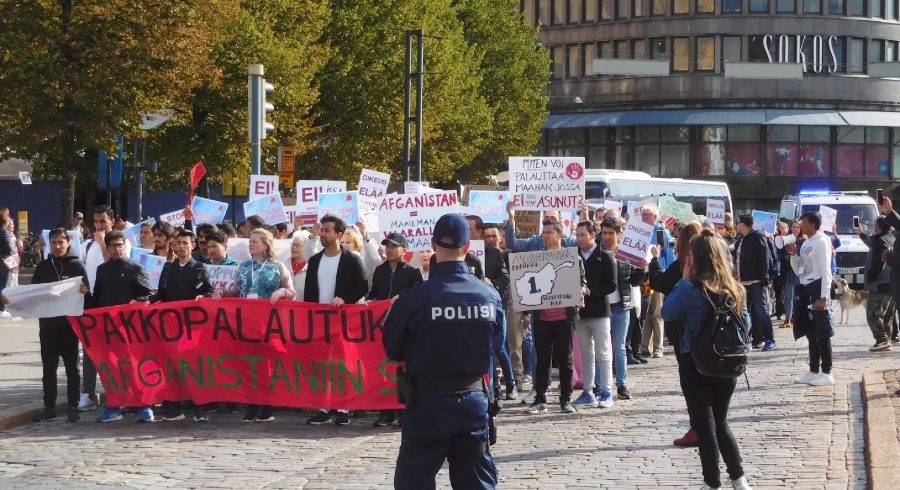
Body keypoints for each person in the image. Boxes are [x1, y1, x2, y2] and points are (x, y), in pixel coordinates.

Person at [382, 213, 503, 489]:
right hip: (472, 400)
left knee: (414, 481)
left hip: (427, 402)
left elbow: (392, 349)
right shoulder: (489, 296)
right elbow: (497, 343)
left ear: (434, 245)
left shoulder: (413, 299)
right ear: (468, 247)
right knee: (476, 482)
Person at [661, 229, 753, 490]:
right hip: (728, 361)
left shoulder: (690, 288)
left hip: (696, 361)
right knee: (721, 422)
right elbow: (747, 325)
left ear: (695, 259)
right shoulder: (735, 289)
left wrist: (684, 278)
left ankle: (712, 482)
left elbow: (667, 312)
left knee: (705, 425)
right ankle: (739, 479)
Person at [3, 228, 89, 422]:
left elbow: (88, 296)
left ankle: (73, 406)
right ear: (49, 244)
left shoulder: (77, 266)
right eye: (54, 243)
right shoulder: (43, 267)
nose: (57, 247)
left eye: (61, 242)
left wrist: (85, 290)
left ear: (68, 242)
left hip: (69, 327)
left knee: (72, 368)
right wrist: (13, 300)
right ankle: (49, 406)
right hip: (48, 327)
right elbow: (32, 294)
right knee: (48, 368)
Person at [212, 228, 295, 421]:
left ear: (266, 245)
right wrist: (223, 292)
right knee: (248, 364)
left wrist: (281, 292)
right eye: (250, 241)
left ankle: (266, 406)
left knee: (265, 364)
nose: (251, 244)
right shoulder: (243, 266)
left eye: (255, 241)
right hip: (245, 323)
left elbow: (292, 292)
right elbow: (237, 290)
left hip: (267, 324)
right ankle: (251, 405)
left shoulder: (277, 266)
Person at [304, 215, 368, 426]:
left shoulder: (352, 259)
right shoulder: (314, 261)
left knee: (344, 365)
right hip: (320, 322)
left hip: (343, 321)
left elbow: (362, 286)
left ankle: (344, 407)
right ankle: (324, 407)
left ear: (339, 235)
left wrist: (345, 299)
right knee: (322, 365)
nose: (322, 234)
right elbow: (310, 293)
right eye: (321, 230)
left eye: (327, 230)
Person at [149, 230, 213, 421]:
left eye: (186, 243)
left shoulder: (200, 268)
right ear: (173, 246)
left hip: (192, 328)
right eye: (178, 243)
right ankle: (175, 407)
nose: (182, 247)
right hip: (171, 327)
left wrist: (204, 297)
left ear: (193, 245)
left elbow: (208, 290)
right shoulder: (168, 268)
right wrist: (146, 302)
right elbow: (161, 294)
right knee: (174, 368)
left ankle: (199, 409)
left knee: (194, 368)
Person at [649, 222, 703, 447]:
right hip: (707, 334)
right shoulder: (714, 266)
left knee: (692, 384)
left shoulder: (684, 269)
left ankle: (698, 428)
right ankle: (708, 426)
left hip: (686, 334)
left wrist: (654, 260)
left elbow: (659, 284)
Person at [92, 231, 155, 423]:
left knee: (134, 367)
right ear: (108, 248)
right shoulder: (102, 269)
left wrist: (137, 301)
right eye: (113, 245)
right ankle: (113, 406)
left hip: (131, 329)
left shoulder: (135, 268)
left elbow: (149, 295)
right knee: (111, 369)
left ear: (125, 245)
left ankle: (144, 405)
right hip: (108, 329)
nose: (117, 249)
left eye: (120, 245)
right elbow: (97, 298)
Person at [526, 219, 587, 415]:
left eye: (548, 232)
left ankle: (565, 400)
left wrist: (580, 292)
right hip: (542, 318)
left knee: (565, 359)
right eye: (543, 232)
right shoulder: (536, 259)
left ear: (560, 235)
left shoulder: (574, 258)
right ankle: (540, 399)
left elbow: (583, 283)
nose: (544, 236)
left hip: (564, 318)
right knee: (542, 359)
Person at [78, 204, 131, 411]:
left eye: (103, 222)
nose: (99, 226)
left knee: (119, 352)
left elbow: (117, 265)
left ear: (112, 222)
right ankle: (88, 392)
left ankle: (120, 393)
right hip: (93, 303)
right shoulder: (88, 246)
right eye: (96, 222)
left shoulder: (122, 244)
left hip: (116, 305)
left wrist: (103, 244)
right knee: (90, 350)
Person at [368, 232, 423, 427]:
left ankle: (403, 410)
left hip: (403, 329)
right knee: (382, 369)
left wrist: (402, 297)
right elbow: (374, 293)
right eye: (387, 246)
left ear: (404, 251)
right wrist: (370, 301)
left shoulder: (413, 273)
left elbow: (418, 297)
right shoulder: (380, 271)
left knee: (401, 369)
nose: (389, 250)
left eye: (393, 246)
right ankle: (386, 412)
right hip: (381, 329)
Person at [466, 215, 515, 400]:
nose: (466, 232)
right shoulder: (460, 254)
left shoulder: (494, 253)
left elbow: (505, 278)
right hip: (471, 309)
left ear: (478, 232)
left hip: (493, 307)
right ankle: (491, 388)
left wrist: (491, 283)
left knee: (498, 347)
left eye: (469, 228)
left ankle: (510, 383)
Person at [572, 220, 617, 409]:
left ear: (593, 234)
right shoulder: (573, 256)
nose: (580, 239)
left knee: (603, 353)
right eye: (577, 235)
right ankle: (588, 391)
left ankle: (607, 391)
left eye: (583, 235)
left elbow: (612, 285)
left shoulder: (605, 256)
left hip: (599, 311)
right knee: (585, 353)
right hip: (580, 313)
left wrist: (592, 291)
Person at [787, 212, 836, 386]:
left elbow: (826, 271)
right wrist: (793, 255)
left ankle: (827, 372)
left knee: (822, 332)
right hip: (805, 289)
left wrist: (823, 296)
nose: (801, 226)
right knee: (810, 332)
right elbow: (799, 270)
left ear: (813, 225)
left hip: (817, 289)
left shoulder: (822, 241)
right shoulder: (806, 242)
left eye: (804, 223)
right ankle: (813, 369)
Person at [599, 218, 645, 402]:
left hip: (621, 305)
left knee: (619, 347)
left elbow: (634, 281)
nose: (607, 236)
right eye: (604, 233)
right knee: (601, 348)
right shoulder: (598, 253)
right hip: (601, 307)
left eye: (611, 233)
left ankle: (622, 384)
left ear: (619, 234)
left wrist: (642, 269)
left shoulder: (626, 254)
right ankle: (600, 384)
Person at [734, 214, 776, 351]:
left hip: (756, 282)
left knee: (760, 311)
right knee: (746, 313)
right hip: (742, 283)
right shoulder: (740, 239)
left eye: (738, 222)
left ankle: (770, 339)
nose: (736, 225)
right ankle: (755, 339)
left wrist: (765, 277)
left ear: (744, 224)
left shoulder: (758, 237)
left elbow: (764, 257)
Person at [640, 204, 674, 359]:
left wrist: (665, 276)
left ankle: (658, 347)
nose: (644, 217)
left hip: (656, 276)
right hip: (644, 277)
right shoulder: (638, 231)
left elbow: (669, 255)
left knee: (657, 312)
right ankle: (644, 346)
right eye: (643, 214)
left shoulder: (662, 232)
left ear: (655, 217)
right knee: (646, 312)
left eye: (647, 214)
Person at [858, 216, 895, 352]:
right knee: (887, 314)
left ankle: (882, 340)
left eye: (875, 223)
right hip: (891, 283)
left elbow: (879, 263)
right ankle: (888, 338)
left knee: (873, 314)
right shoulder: (890, 237)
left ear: (878, 226)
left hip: (880, 284)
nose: (873, 225)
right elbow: (871, 242)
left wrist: (871, 278)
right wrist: (861, 234)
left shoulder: (881, 241)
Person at [503, 200, 579, 252]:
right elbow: (512, 244)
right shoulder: (534, 241)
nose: (549, 221)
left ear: (560, 222)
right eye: (546, 218)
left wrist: (585, 218)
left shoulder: (571, 242)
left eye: (553, 218)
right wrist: (511, 217)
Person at [285, 230, 310, 299]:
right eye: (293, 244)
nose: (294, 247)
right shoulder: (282, 266)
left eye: (298, 245)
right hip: (284, 307)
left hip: (304, 308)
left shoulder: (312, 268)